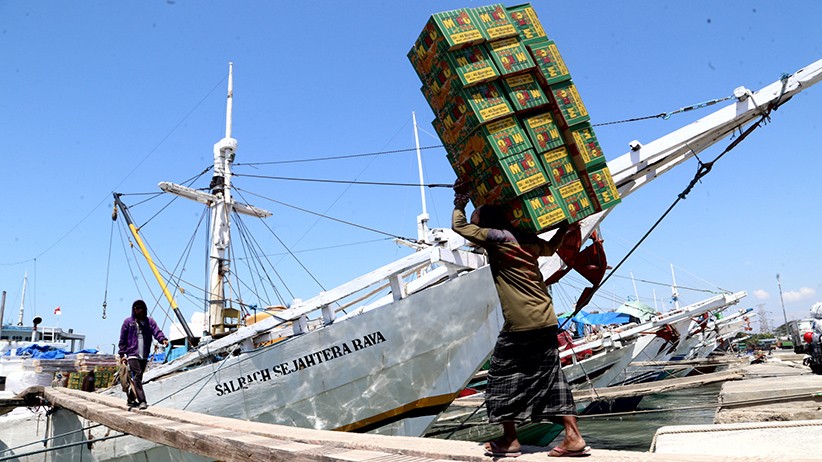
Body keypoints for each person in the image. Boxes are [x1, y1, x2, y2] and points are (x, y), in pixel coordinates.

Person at [451, 184, 589, 458]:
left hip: (521, 322)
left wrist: (460, 201)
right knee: (550, 376)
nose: (474, 216)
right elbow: (550, 248)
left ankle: (510, 440)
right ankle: (573, 437)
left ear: (486, 221)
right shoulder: (524, 239)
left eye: (477, 214)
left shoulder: (496, 238)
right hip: (546, 317)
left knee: (501, 377)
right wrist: (567, 227)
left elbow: (459, 226)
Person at [118, 299, 168, 410]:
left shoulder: (150, 322)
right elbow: (123, 339)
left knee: (138, 378)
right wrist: (122, 354)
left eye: (140, 308)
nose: (138, 310)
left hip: (144, 354)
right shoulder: (128, 322)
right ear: (133, 309)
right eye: (136, 308)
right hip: (132, 354)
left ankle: (131, 399)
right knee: (137, 375)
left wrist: (163, 339)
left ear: (144, 309)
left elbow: (157, 332)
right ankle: (142, 401)